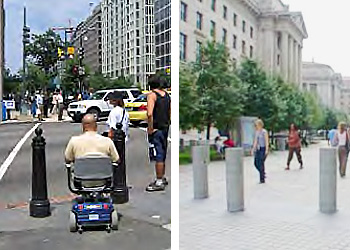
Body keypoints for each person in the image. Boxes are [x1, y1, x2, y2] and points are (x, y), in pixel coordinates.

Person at [65, 114, 119, 187]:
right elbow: (116, 159)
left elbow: (67, 159)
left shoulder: (74, 141)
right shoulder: (107, 141)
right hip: (104, 180)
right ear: (96, 126)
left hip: (81, 181)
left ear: (83, 126)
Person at [145, 76, 171, 192]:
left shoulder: (152, 95)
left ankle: (159, 180)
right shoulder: (166, 95)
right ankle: (162, 177)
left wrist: (150, 129)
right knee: (162, 153)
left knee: (158, 154)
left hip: (156, 129)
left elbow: (150, 114)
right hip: (165, 128)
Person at [251, 119, 269, 184]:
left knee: (261, 163)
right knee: (256, 163)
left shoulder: (264, 132)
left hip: (263, 148)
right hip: (258, 149)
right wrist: (253, 149)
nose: (256, 126)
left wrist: (267, 150)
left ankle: (262, 179)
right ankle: (262, 173)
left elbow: (266, 141)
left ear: (260, 125)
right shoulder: (257, 132)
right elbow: (255, 141)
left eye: (256, 125)